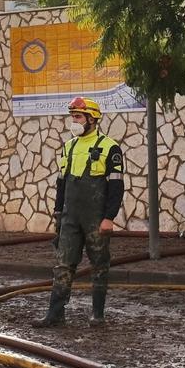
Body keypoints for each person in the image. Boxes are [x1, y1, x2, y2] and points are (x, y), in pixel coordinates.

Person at [33, 96, 123, 327]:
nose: (74, 121)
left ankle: (98, 314)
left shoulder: (110, 147)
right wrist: (57, 214)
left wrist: (109, 218)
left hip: (96, 219)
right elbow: (61, 184)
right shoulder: (69, 147)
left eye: (78, 116)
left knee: (99, 264)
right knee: (63, 264)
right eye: (73, 116)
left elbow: (116, 186)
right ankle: (55, 314)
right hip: (70, 217)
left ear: (92, 119)